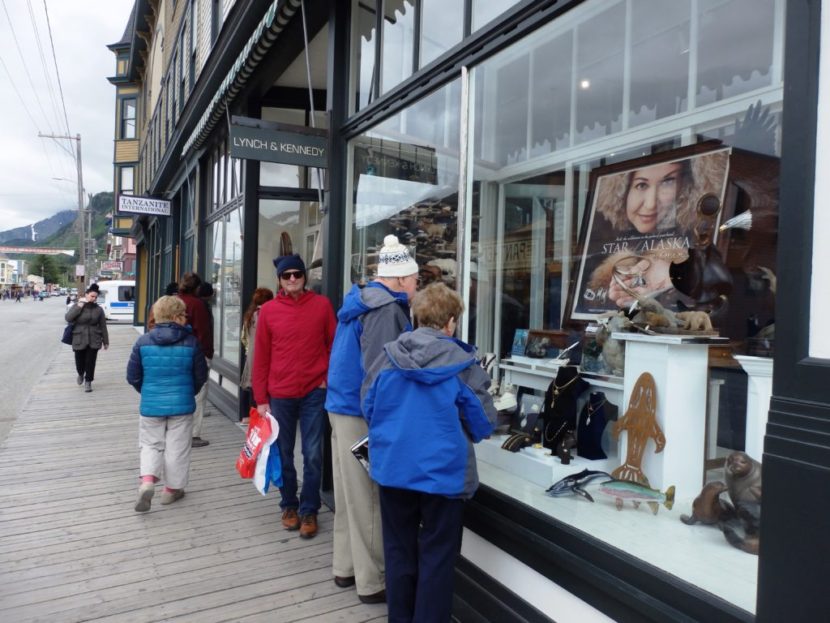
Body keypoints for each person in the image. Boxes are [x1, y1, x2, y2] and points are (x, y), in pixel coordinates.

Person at [361, 282, 497, 623]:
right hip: (443, 477)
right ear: (450, 322)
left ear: (416, 317)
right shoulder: (464, 366)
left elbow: (369, 406)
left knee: (398, 552)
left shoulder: (386, 357)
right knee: (437, 559)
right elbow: (483, 424)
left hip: (393, 470)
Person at [325, 234, 419, 604]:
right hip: (361, 413)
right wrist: (388, 423)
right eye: (413, 279)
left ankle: (345, 566)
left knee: (350, 497)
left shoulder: (361, 301)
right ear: (398, 280)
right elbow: (381, 373)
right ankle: (373, 579)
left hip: (341, 406)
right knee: (370, 500)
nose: (416, 286)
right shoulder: (386, 310)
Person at [252, 254, 336, 540]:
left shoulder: (322, 306)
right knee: (284, 453)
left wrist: (327, 379)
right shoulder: (269, 311)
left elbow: (334, 345)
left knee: (312, 455)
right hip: (281, 393)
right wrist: (261, 398)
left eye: (296, 274)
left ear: (304, 277)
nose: (292, 279)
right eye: (286, 275)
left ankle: (309, 509)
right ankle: (289, 504)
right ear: (279, 279)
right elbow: (260, 357)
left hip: (314, 390)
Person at [126, 295, 208, 512]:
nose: (185, 318)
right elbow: (200, 375)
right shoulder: (191, 342)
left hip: (151, 404)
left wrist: (146, 391)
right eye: (182, 314)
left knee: (150, 444)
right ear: (176, 317)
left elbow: (132, 375)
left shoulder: (143, 341)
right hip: (182, 404)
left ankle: (147, 480)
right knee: (177, 448)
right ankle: (172, 491)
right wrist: (190, 392)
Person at [177, 272, 214, 448]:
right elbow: (203, 333)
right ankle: (193, 434)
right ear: (197, 287)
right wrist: (208, 354)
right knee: (199, 393)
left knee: (179, 391)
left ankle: (177, 431)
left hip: (175, 353)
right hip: (196, 354)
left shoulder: (172, 302)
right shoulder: (198, 305)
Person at [65, 286, 109, 392]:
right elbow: (68, 318)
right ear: (86, 295)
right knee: (79, 361)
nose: (94, 298)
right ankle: (80, 373)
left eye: (95, 297)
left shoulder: (99, 309)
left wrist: (106, 341)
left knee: (91, 362)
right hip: (79, 337)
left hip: (94, 338)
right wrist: (79, 306)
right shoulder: (77, 305)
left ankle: (88, 381)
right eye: (92, 296)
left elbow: (103, 325)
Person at [240, 287, 274, 415]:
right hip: (262, 356)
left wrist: (248, 348)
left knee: (250, 385)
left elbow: (243, 337)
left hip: (250, 354)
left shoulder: (249, 315)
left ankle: (246, 416)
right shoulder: (265, 314)